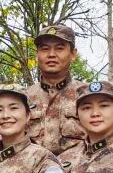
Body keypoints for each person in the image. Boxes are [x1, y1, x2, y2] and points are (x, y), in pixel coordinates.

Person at [24, 24, 85, 156]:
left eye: (59, 48)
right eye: (45, 49)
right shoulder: (23, 98)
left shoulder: (88, 96)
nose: (51, 54)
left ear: (73, 54)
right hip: (32, 168)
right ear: (37, 54)